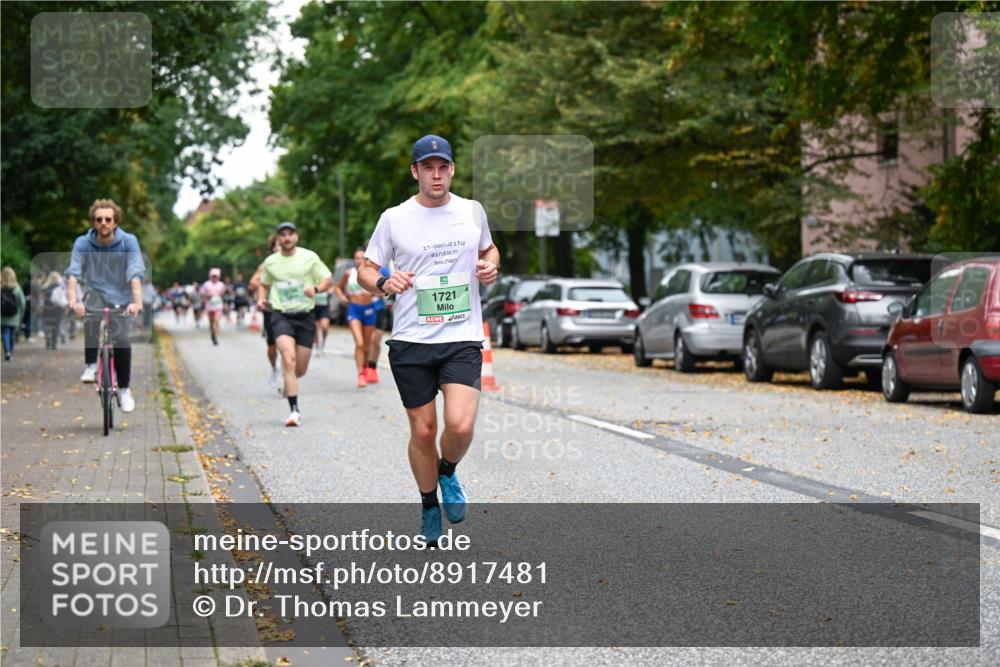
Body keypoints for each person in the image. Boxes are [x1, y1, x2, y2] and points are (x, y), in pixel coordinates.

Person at [358, 135, 499, 545]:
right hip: (412, 341)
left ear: (452, 170)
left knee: (459, 424)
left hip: (462, 335)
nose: (436, 175)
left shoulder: (472, 211)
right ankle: (428, 508)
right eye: (428, 167)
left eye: (443, 167)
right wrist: (385, 280)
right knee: (422, 433)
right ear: (415, 172)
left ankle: (448, 472)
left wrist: (489, 266)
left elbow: (490, 249)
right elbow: (366, 269)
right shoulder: (394, 218)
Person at [66, 198, 145, 413]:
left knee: (122, 340)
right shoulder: (83, 243)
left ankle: (125, 390)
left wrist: (137, 302)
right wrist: (73, 300)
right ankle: (91, 365)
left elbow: (135, 271)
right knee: (91, 314)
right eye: (99, 219)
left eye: (108, 219)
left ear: (115, 222)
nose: (103, 223)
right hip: (95, 291)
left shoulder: (128, 241)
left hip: (121, 294)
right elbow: (74, 272)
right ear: (93, 222)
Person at [256, 221, 333, 426]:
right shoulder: (271, 262)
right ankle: (294, 411)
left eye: (290, 234)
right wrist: (261, 298)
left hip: (305, 316)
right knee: (288, 359)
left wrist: (315, 290)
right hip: (281, 315)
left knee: (300, 368)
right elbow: (263, 284)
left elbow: (328, 280)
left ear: (296, 237)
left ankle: (289, 381)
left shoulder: (309, 257)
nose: (287, 238)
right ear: (278, 239)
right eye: (283, 235)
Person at [336, 247, 378, 387]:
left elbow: (380, 288)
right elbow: (338, 287)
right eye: (357, 258)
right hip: (354, 309)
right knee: (359, 343)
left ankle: (366, 367)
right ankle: (360, 374)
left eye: (362, 258)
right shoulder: (349, 273)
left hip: (369, 310)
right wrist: (342, 297)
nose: (359, 260)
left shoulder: (372, 273)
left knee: (366, 345)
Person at [249, 235, 282, 390]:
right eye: (277, 245)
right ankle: (275, 368)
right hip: (271, 308)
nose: (280, 247)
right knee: (273, 345)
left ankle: (286, 375)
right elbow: (253, 282)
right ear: (273, 248)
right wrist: (267, 283)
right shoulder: (266, 264)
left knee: (288, 344)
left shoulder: (296, 262)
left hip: (291, 308)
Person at [366, 264, 393, 383]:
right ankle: (365, 368)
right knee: (366, 341)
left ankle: (372, 367)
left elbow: (389, 288)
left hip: (380, 309)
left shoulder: (384, 270)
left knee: (376, 340)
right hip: (364, 309)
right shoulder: (359, 271)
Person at [1, 267, 27, 361]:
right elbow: (23, 302)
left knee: (5, 333)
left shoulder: (1, 287)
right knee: (12, 334)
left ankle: (7, 351)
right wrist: (22, 313)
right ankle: (10, 352)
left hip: (2, 316)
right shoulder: (17, 287)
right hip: (14, 316)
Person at [40, 271, 68, 349]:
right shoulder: (61, 287)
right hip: (58, 309)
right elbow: (64, 298)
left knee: (48, 325)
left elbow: (41, 299)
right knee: (56, 326)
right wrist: (66, 307)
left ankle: (48, 340)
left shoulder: (45, 288)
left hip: (47, 309)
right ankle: (54, 343)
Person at [199, 268, 226, 345]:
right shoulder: (206, 284)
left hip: (218, 305)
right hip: (209, 306)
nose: (214, 278)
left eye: (216, 276)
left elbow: (223, 293)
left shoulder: (221, 284)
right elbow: (202, 294)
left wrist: (220, 293)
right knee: (211, 322)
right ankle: (213, 334)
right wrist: (208, 295)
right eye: (213, 276)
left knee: (216, 321)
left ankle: (215, 336)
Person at [313, 278, 333, 357]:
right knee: (315, 328)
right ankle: (317, 345)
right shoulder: (312, 278)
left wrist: (330, 291)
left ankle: (323, 342)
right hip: (314, 307)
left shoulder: (326, 278)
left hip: (324, 307)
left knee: (325, 326)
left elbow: (333, 286)